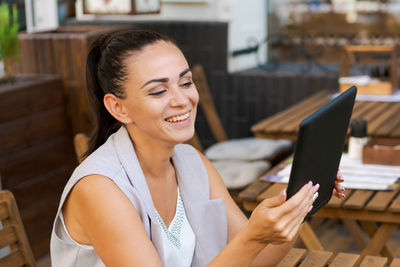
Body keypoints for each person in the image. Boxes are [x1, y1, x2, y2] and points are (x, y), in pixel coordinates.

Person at [50, 29, 345, 267]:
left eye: (186, 82)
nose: (182, 99)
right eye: (158, 90)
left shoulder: (191, 161)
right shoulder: (99, 188)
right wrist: (252, 239)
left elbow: (257, 260)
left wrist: (302, 202)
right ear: (118, 107)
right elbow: (249, 246)